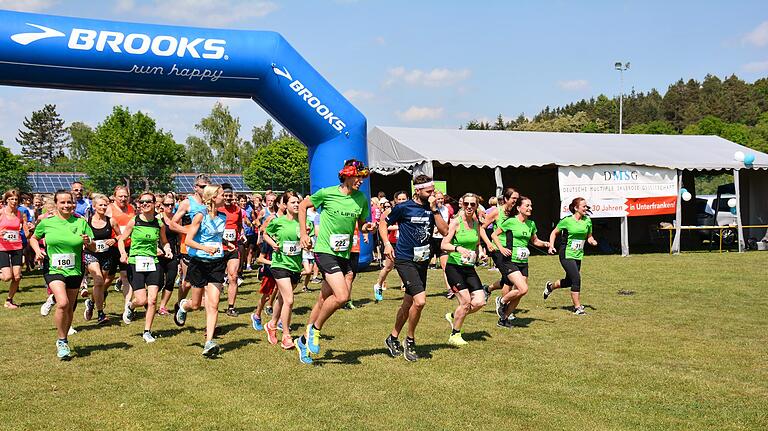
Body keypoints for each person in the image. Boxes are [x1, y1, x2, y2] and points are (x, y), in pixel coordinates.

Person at [295, 159, 373, 364]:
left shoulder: (361, 199)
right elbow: (303, 206)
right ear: (347, 174)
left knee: (323, 300)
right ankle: (315, 330)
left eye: (363, 178)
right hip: (325, 251)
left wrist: (367, 228)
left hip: (344, 253)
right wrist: (304, 233)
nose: (361, 181)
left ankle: (303, 341)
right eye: (358, 176)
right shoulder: (327, 193)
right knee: (342, 296)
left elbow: (361, 224)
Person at [381, 175, 448, 362]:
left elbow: (445, 231)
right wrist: (387, 244)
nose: (432, 194)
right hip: (405, 259)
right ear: (417, 190)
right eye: (429, 191)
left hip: (422, 260)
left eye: (433, 190)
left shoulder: (432, 209)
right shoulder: (403, 207)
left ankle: (392, 337)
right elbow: (383, 223)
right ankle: (410, 340)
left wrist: (435, 211)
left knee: (408, 303)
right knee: (420, 301)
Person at [29, 190, 94, 360]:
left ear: (74, 203)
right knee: (63, 302)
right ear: (56, 204)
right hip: (53, 268)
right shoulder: (47, 222)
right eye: (63, 202)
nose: (66, 206)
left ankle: (63, 339)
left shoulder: (81, 222)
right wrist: (37, 251)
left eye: (69, 202)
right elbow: (33, 238)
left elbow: (92, 247)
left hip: (75, 269)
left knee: (70, 308)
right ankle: (61, 340)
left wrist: (89, 242)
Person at [175, 185, 227, 357]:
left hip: (217, 263)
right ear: (213, 198)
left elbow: (217, 237)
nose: (225, 197)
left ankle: (209, 342)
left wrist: (225, 243)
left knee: (213, 304)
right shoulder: (200, 216)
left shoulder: (223, 217)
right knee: (196, 305)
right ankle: (184, 305)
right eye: (222, 195)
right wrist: (204, 248)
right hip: (199, 263)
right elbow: (188, 240)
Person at [118, 192, 173, 343]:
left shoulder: (159, 223)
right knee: (141, 300)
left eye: (148, 201)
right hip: (136, 262)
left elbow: (164, 241)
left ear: (155, 204)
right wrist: (123, 253)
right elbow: (121, 240)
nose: (145, 204)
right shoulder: (134, 221)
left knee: (153, 300)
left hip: (153, 262)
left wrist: (167, 249)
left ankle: (147, 331)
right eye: (142, 202)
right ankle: (131, 306)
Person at [441, 193, 492, 346]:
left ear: (477, 206)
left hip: (469, 267)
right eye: (466, 204)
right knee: (465, 302)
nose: (469, 207)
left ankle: (453, 316)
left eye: (473, 204)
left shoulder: (476, 224)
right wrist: (458, 248)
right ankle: (455, 335)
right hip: (454, 267)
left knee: (480, 302)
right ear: (462, 204)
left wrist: (481, 253)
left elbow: (476, 244)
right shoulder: (456, 222)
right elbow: (444, 245)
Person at [491, 196, 550, 328]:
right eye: (527, 206)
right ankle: (502, 300)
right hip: (510, 260)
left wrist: (545, 243)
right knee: (523, 289)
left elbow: (535, 241)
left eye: (531, 206)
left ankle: (503, 319)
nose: (530, 208)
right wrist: (501, 248)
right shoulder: (511, 221)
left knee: (519, 294)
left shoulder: (531, 224)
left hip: (523, 261)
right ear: (518, 208)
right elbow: (494, 235)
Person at [262, 191, 303, 349]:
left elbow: (308, 240)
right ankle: (286, 335)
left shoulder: (303, 223)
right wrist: (273, 244)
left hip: (295, 265)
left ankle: (271, 324)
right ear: (285, 205)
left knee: (281, 298)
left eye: (298, 202)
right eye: (293, 202)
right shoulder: (278, 221)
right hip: (280, 264)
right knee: (289, 300)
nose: (296, 205)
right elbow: (265, 234)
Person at [545, 197, 597, 315]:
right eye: (583, 206)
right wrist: (551, 246)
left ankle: (550, 287)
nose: (586, 208)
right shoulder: (567, 220)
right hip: (566, 253)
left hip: (578, 254)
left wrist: (592, 241)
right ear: (576, 208)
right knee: (576, 279)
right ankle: (577, 307)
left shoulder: (587, 220)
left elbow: (589, 236)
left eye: (586, 206)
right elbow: (554, 232)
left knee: (569, 281)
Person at [168, 174, 210, 305]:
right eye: (203, 187)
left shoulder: (210, 203)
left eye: (207, 187)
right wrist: (188, 231)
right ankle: (179, 304)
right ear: (195, 187)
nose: (205, 189)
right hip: (188, 247)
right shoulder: (187, 203)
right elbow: (172, 224)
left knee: (207, 282)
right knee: (187, 282)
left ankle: (208, 317)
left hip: (205, 247)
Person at [82, 194, 121, 324]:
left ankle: (91, 302)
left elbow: (121, 236)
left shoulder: (111, 221)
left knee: (102, 284)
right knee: (98, 281)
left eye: (105, 205)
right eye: (100, 205)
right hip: (91, 253)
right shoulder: (86, 221)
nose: (103, 207)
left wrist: (114, 239)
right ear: (94, 206)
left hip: (106, 255)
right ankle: (101, 314)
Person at [372, 191, 408, 302]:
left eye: (404, 199)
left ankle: (406, 286)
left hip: (405, 243)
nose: (402, 201)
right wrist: (398, 228)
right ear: (395, 200)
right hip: (392, 242)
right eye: (400, 199)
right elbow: (383, 226)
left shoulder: (409, 211)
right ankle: (378, 285)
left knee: (406, 265)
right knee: (388, 267)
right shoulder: (389, 211)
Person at [106, 185, 136, 312]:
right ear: (114, 197)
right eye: (120, 196)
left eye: (125, 196)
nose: (123, 199)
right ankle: (94, 298)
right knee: (108, 278)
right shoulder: (109, 209)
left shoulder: (131, 208)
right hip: (112, 247)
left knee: (125, 275)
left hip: (128, 246)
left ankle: (127, 307)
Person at [0, 190, 29, 309]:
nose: (14, 201)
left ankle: (9, 300)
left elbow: (27, 233)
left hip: (17, 246)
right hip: (3, 247)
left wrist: (29, 229)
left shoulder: (21, 214)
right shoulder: (1, 212)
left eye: (16, 199)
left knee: (17, 276)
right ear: (6, 200)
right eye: (11, 199)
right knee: (7, 277)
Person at [220, 183, 244, 317]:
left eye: (230, 196)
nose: (228, 198)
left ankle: (231, 307)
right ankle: (212, 303)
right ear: (222, 197)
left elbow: (239, 225)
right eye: (226, 196)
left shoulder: (237, 210)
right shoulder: (218, 209)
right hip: (219, 248)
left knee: (233, 276)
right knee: (217, 278)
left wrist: (242, 234)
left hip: (233, 248)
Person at [157, 195, 181, 316]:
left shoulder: (177, 219)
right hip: (159, 254)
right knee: (158, 282)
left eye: (172, 204)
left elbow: (180, 236)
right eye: (167, 205)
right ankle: (150, 302)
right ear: (162, 206)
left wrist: (181, 254)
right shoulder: (157, 219)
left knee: (171, 280)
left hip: (173, 254)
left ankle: (162, 306)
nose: (170, 207)